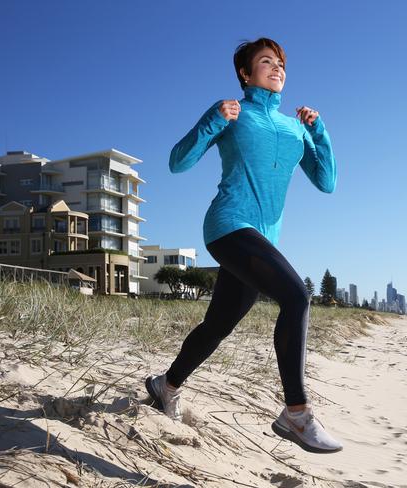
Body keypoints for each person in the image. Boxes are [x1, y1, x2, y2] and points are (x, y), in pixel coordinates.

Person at [144, 37, 342, 454]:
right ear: (244, 74)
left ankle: (166, 385)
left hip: (262, 240)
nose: (277, 68)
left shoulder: (294, 128)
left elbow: (327, 183)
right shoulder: (233, 113)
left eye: (281, 63)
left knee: (217, 326)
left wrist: (318, 132)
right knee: (297, 296)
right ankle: (297, 412)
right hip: (228, 225)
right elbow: (177, 162)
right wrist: (213, 120)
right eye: (266, 62)